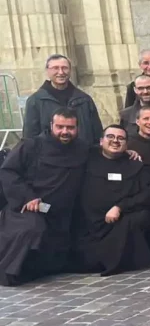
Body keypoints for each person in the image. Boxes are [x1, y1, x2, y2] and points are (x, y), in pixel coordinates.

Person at [0, 108, 88, 285]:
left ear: (77, 128)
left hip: (62, 214)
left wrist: (128, 153)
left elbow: (105, 154)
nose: (65, 131)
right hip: (28, 208)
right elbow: (9, 171)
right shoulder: (31, 146)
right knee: (32, 230)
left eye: (70, 127)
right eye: (60, 127)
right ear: (51, 125)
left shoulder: (82, 148)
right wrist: (27, 197)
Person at [74, 125, 150, 277]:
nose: (115, 141)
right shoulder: (87, 159)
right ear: (101, 141)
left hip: (120, 222)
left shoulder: (135, 164)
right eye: (110, 137)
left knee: (142, 216)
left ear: (126, 144)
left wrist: (120, 207)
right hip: (91, 225)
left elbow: (148, 195)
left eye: (121, 138)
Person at [22, 54, 103, 146]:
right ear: (47, 71)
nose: (61, 72)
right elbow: (30, 137)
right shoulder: (36, 101)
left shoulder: (84, 100)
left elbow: (97, 133)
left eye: (65, 68)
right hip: (49, 153)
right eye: (55, 68)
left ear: (70, 70)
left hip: (82, 152)